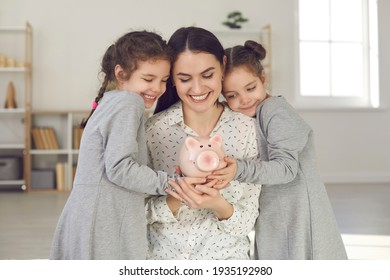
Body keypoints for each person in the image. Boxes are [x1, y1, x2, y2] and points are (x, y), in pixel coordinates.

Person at [49, 30, 203, 260]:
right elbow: (120, 168)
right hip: (104, 220)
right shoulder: (129, 103)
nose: (158, 89)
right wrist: (173, 184)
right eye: (148, 79)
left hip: (89, 215)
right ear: (121, 74)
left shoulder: (110, 102)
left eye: (163, 81)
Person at [209, 40, 348, 260]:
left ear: (263, 79)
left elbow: (286, 169)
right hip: (277, 208)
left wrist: (239, 170)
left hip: (298, 210)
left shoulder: (275, 110)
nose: (244, 99)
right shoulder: (255, 112)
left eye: (250, 88)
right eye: (232, 95)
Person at [145, 27, 261, 260]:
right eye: (184, 78)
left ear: (222, 66)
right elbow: (135, 213)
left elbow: (247, 221)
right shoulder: (153, 131)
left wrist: (218, 204)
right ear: (172, 79)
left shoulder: (248, 130)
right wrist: (177, 197)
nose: (197, 89)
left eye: (207, 75)